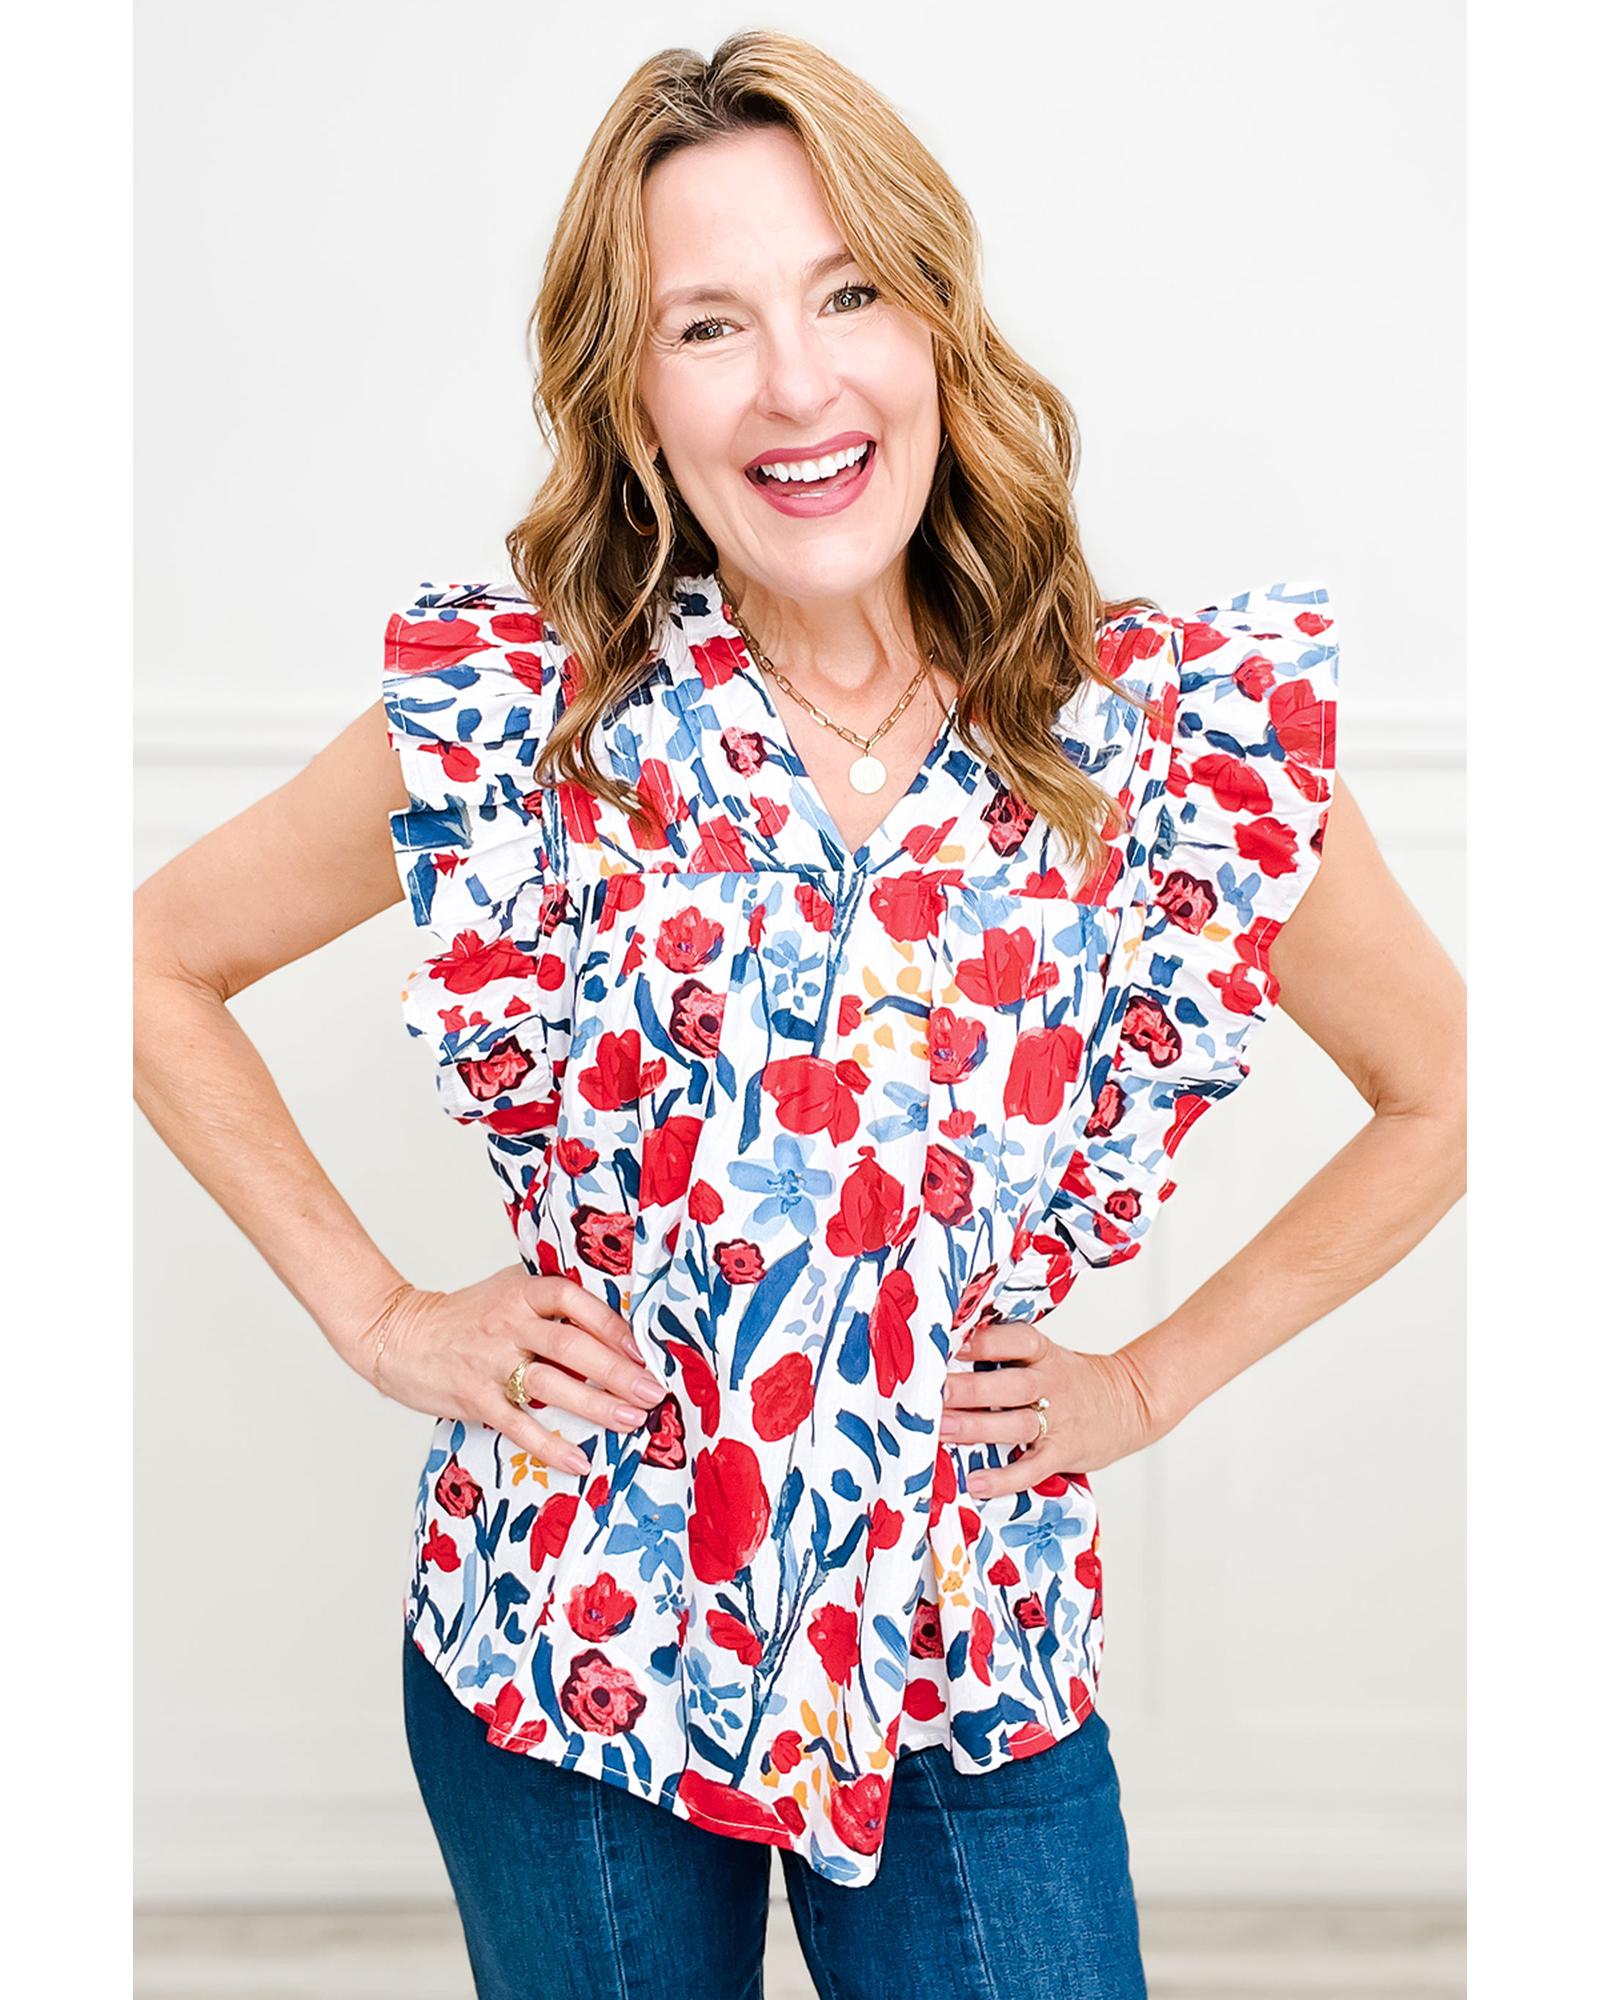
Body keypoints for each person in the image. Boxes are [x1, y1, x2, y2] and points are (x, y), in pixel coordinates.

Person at [131, 29, 1467, 2000]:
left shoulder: (1172, 733)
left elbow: (1449, 1091)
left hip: (960, 1641)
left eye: (846, 295)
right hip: (574, 1632)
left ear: (934, 325)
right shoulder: (522, 714)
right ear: (632, 393)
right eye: (708, 324)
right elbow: (146, 959)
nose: (793, 383)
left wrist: (1144, 1385)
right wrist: (381, 1314)